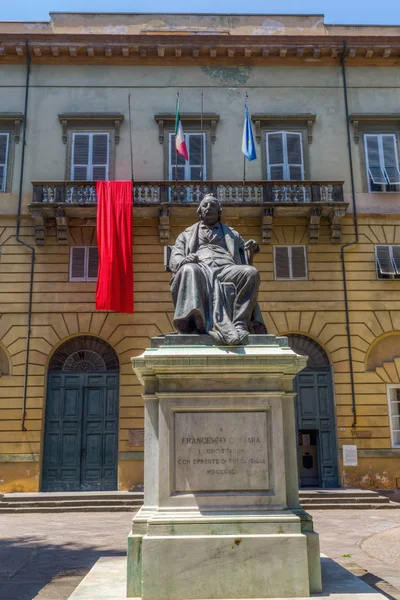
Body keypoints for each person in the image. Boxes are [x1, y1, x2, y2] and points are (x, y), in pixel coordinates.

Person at [169, 194, 266, 345]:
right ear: (200, 211)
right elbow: (175, 257)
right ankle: (196, 324)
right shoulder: (186, 235)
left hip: (226, 268)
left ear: (219, 212)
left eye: (213, 205)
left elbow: (244, 249)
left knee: (250, 273)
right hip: (201, 268)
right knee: (190, 269)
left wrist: (252, 247)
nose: (209, 208)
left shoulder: (231, 233)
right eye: (205, 205)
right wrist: (183, 260)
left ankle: (240, 323)